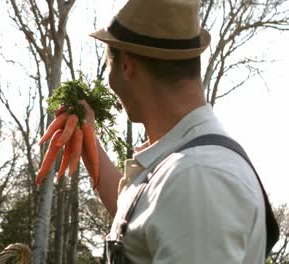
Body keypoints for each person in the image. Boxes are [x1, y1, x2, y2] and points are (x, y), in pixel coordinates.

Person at [77, 0, 279, 263]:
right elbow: (141, 219)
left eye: (109, 65)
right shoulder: (184, 166)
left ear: (126, 64)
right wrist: (86, 139)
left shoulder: (198, 177)